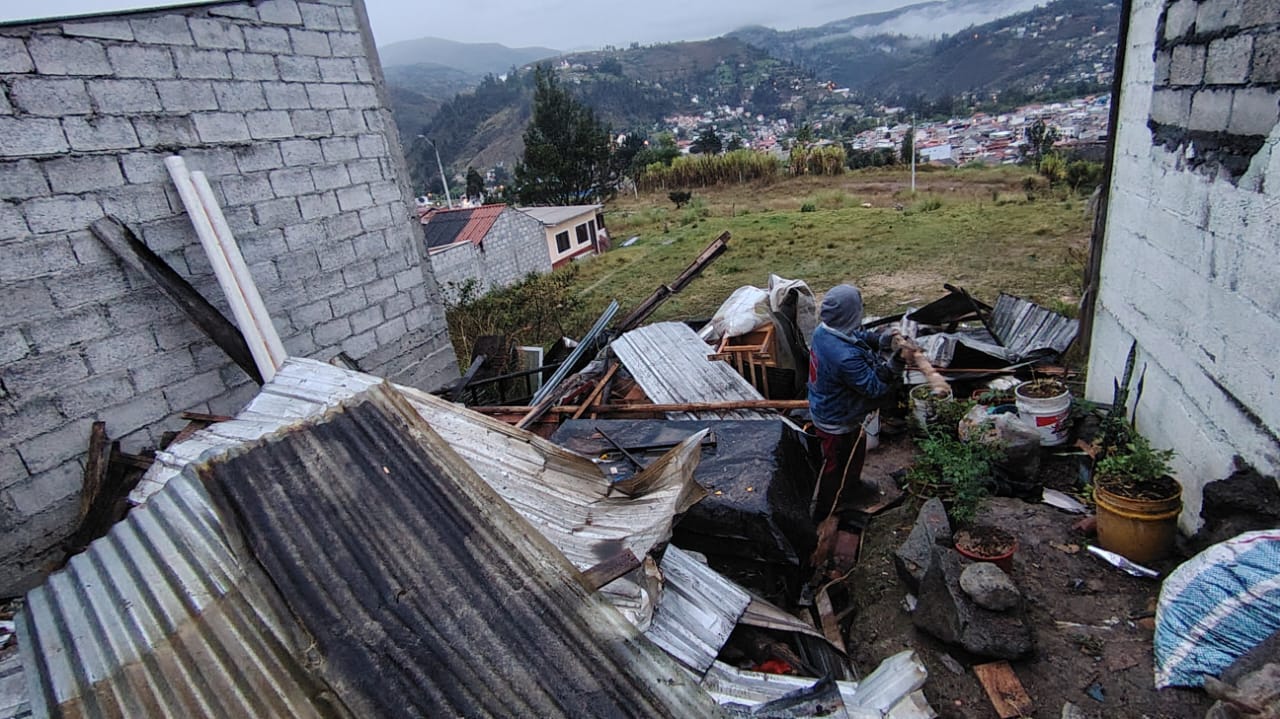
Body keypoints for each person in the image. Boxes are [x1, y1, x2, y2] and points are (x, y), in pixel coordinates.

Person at [807, 284, 909, 524]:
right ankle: (825, 510)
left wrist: (880, 340)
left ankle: (851, 487)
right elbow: (874, 387)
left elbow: (856, 337)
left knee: (856, 449)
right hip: (836, 419)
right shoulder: (843, 357)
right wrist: (896, 362)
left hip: (839, 409)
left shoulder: (824, 330)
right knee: (835, 467)